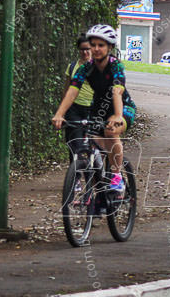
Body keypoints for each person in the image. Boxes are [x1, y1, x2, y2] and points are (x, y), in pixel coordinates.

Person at [51, 24, 128, 195]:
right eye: (93, 45)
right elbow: (73, 90)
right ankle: (98, 189)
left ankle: (116, 177)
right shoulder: (86, 67)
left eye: (101, 45)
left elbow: (117, 90)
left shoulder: (116, 66)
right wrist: (59, 113)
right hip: (98, 108)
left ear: (109, 47)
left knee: (110, 132)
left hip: (121, 106)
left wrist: (117, 115)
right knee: (91, 139)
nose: (96, 49)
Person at [61, 35, 94, 158]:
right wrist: (62, 111)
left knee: (95, 144)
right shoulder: (72, 66)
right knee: (74, 145)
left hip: (93, 108)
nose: (85, 52)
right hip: (74, 109)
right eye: (82, 49)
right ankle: (75, 176)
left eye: (87, 49)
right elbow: (66, 89)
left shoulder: (99, 66)